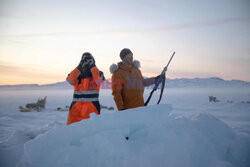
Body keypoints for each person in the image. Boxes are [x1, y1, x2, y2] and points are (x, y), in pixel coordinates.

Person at [66, 52, 105, 125]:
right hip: (76, 108)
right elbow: (70, 80)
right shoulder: (78, 75)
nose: (87, 63)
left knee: (91, 132)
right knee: (72, 131)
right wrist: (79, 67)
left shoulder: (97, 73)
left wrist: (92, 66)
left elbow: (98, 79)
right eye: (85, 60)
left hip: (91, 108)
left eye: (89, 61)